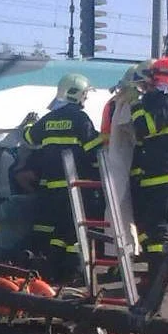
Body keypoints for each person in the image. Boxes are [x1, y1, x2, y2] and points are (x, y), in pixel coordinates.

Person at [17, 72, 103, 284]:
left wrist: (28, 124)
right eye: (84, 94)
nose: (85, 98)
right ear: (75, 94)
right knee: (72, 232)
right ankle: (73, 274)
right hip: (73, 187)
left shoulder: (48, 120)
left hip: (49, 187)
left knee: (49, 228)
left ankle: (44, 268)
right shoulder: (81, 119)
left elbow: (28, 136)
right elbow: (93, 149)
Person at [130, 56, 168, 279]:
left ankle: (158, 276)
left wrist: (134, 106)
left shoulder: (166, 102)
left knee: (158, 230)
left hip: (162, 175)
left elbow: (145, 128)